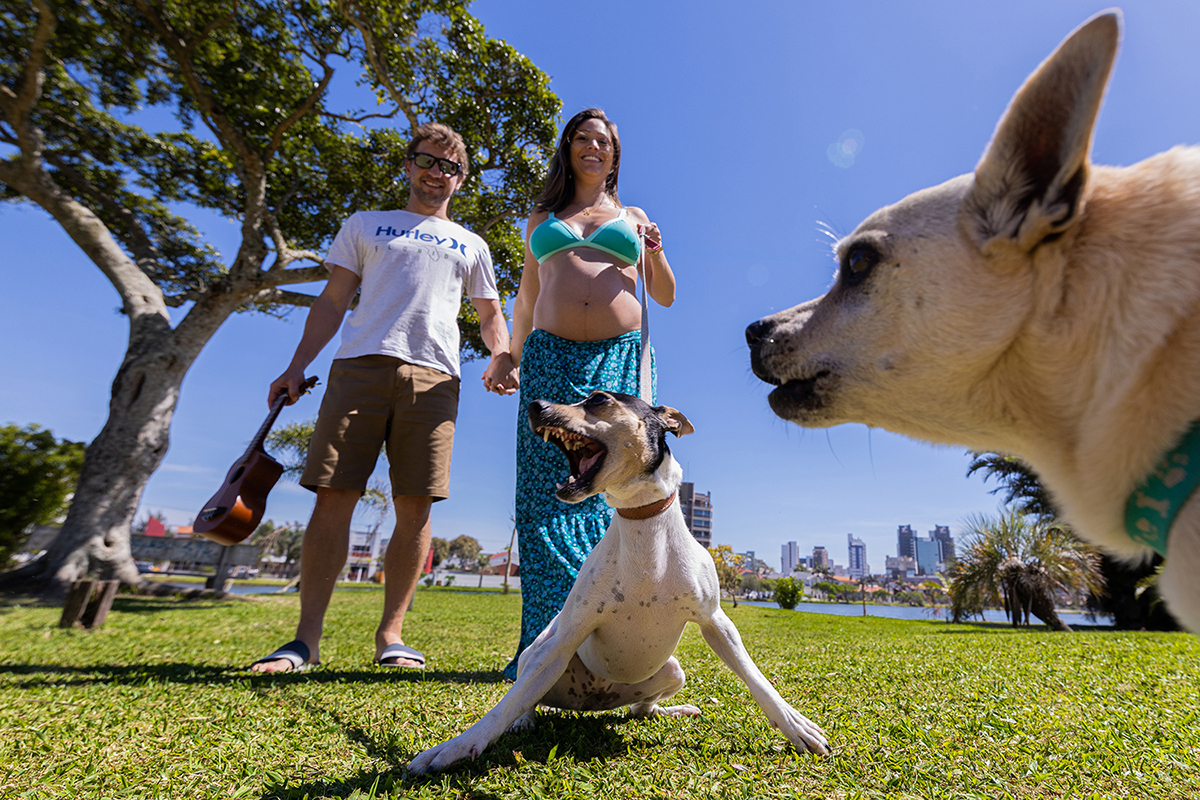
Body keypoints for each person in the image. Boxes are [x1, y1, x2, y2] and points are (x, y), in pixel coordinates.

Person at [251, 122, 517, 673]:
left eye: (449, 167)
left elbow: (490, 313)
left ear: (460, 179)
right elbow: (332, 300)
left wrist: (501, 355)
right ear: (408, 164)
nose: (436, 173)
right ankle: (304, 641)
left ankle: (391, 636)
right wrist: (295, 366)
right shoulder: (366, 225)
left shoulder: (471, 244)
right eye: (427, 160)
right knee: (333, 495)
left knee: (416, 506)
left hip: (435, 379)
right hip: (359, 368)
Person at [504, 108, 676, 678]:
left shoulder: (633, 216)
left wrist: (653, 249)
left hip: (617, 366)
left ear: (614, 154)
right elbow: (527, 299)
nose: (593, 147)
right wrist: (509, 352)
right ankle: (542, 648)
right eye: (583, 138)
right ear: (569, 148)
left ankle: (607, 643)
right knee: (543, 495)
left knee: (613, 493)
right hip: (549, 359)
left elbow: (666, 294)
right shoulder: (541, 216)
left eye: (603, 141)